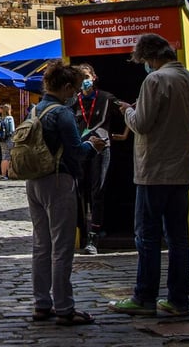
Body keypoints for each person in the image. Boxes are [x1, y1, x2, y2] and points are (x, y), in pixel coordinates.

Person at [109, 34, 189, 318]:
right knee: (178, 238)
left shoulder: (155, 81)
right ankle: (178, 299)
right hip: (182, 167)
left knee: (147, 236)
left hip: (154, 169)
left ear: (149, 58)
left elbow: (143, 123)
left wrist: (128, 111)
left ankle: (144, 296)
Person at [27, 62, 105, 327]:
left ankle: (41, 303)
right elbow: (75, 151)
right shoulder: (62, 113)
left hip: (34, 181)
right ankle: (64, 307)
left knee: (41, 245)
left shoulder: (34, 110)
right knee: (62, 247)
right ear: (68, 86)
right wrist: (93, 145)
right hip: (59, 180)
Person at [71, 64, 129, 254]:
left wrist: (125, 134)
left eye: (86, 76)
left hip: (101, 149)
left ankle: (94, 238)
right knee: (80, 192)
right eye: (80, 78)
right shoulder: (74, 101)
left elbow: (128, 110)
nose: (84, 81)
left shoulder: (105, 97)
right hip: (80, 149)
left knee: (98, 191)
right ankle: (81, 232)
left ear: (94, 77)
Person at [0, 103, 16, 180]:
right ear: (9, 110)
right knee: (10, 156)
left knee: (4, 157)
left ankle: (3, 174)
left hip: (2, 139)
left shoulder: (1, 118)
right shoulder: (10, 118)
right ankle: (10, 173)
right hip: (9, 139)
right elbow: (12, 130)